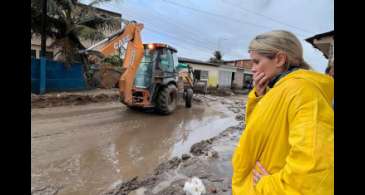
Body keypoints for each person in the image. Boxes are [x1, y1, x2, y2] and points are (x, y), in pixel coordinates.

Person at [231, 30, 334, 195]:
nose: (253, 69)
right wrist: (259, 96)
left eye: (257, 62)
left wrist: (269, 187)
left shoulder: (303, 92)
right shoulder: (279, 89)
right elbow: (261, 133)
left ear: (279, 59)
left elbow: (314, 171)